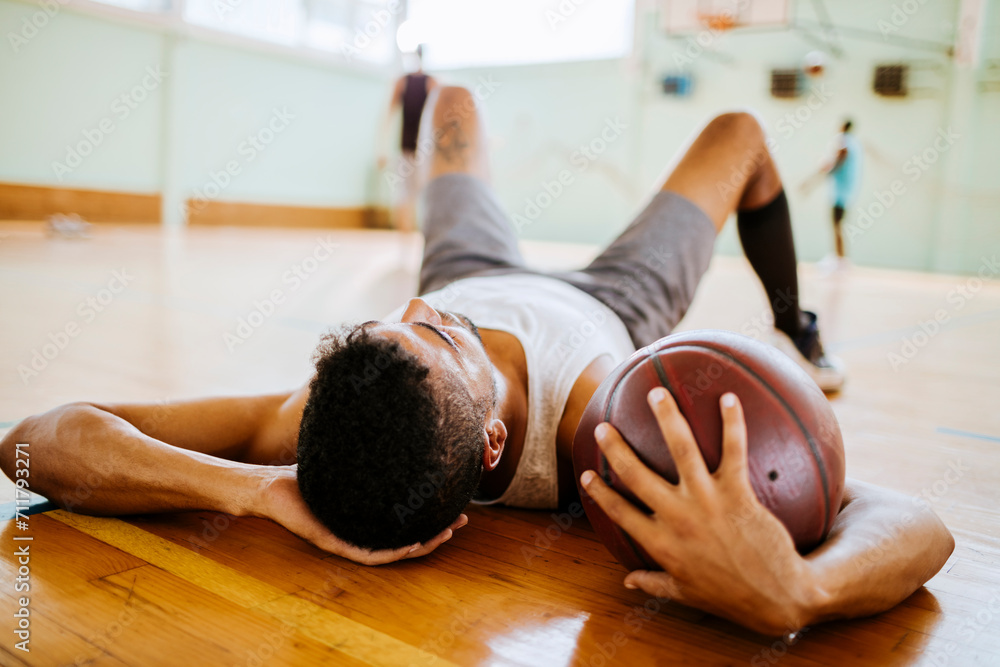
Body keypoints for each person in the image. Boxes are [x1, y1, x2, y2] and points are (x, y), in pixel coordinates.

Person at [0, 88, 952, 636]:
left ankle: (795, 319)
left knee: (450, 103)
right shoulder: (614, 439)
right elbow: (919, 526)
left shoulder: (320, 412)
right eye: (438, 335)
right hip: (609, 305)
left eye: (393, 326)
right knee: (742, 137)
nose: (419, 313)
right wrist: (805, 588)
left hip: (473, 267)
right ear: (496, 437)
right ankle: (800, 324)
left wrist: (251, 492)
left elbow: (30, 446)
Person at [377, 44, 438, 232]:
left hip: (425, 152)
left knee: (425, 195)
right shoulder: (402, 82)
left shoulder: (433, 83)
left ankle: (422, 240)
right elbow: (388, 116)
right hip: (406, 150)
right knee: (403, 196)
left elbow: (439, 118)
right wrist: (382, 150)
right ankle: (403, 244)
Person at [804, 120, 863, 272]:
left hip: (841, 193)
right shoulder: (855, 144)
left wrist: (815, 179)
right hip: (846, 191)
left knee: (836, 224)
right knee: (837, 224)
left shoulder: (844, 142)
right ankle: (839, 258)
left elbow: (838, 161)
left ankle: (840, 259)